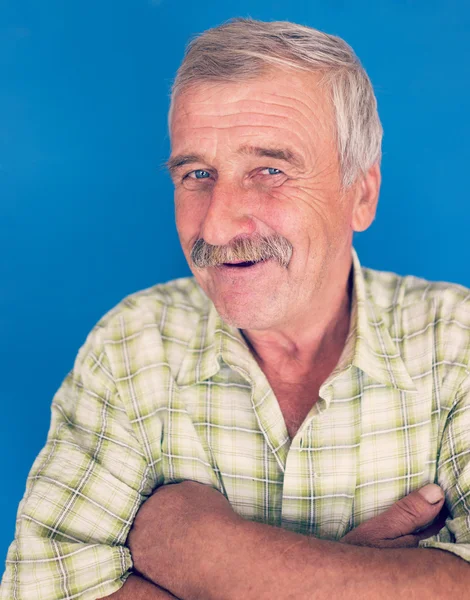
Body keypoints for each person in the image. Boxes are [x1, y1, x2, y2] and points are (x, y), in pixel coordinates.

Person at [2, 17, 470, 600]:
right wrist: (375, 581)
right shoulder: (133, 346)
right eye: (197, 174)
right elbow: (40, 590)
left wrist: (194, 545)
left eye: (269, 170)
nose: (218, 224)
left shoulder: (457, 341)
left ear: (363, 193)